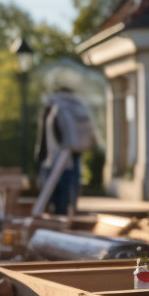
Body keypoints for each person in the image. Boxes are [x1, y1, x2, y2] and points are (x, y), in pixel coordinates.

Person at [35, 87, 96, 215]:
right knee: (70, 189)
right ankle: (69, 213)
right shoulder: (78, 105)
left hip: (56, 155)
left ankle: (58, 216)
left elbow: (46, 138)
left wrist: (41, 157)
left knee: (54, 190)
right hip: (74, 153)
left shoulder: (53, 106)